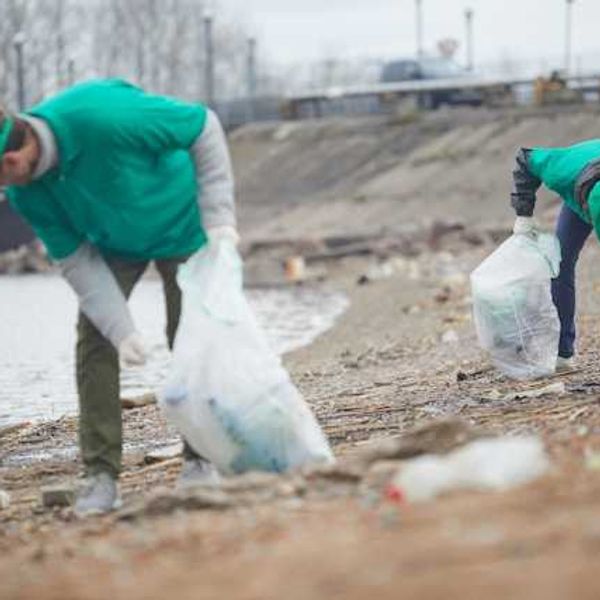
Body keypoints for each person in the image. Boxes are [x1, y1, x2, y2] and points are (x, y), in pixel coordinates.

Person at [0, 79, 238, 516]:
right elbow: (76, 260)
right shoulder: (24, 190)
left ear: (12, 158)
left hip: (181, 224)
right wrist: (121, 328)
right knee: (95, 336)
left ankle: (201, 459)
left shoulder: (101, 116)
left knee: (190, 334)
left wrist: (219, 218)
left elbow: (204, 127)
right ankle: (101, 475)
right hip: (115, 242)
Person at [510, 140, 600, 371]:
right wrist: (523, 214)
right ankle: (562, 353)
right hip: (580, 184)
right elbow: (526, 158)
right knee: (559, 264)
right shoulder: (559, 169)